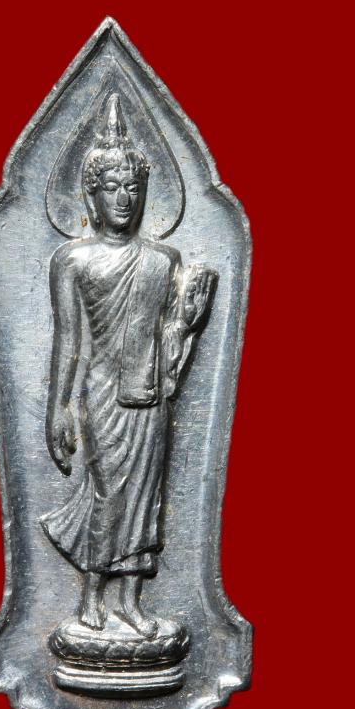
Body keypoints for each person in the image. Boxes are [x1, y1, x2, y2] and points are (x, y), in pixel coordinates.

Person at [40, 93, 215, 638]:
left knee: (147, 496)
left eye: (133, 188)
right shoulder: (73, 259)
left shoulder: (164, 261)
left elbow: (169, 343)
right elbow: (69, 340)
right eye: (112, 187)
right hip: (100, 394)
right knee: (109, 492)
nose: (123, 198)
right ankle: (92, 597)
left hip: (150, 395)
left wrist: (186, 321)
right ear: (91, 196)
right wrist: (58, 409)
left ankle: (132, 601)